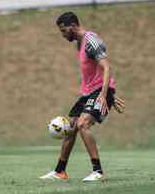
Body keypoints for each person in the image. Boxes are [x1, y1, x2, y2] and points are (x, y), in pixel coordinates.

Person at [39, 12, 125, 182]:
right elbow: (94, 72)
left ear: (72, 25)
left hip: (99, 91)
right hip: (88, 93)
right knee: (71, 128)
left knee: (83, 124)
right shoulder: (79, 44)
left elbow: (106, 67)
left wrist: (106, 94)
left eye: (64, 31)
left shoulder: (91, 41)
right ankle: (60, 171)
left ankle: (97, 171)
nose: (63, 35)